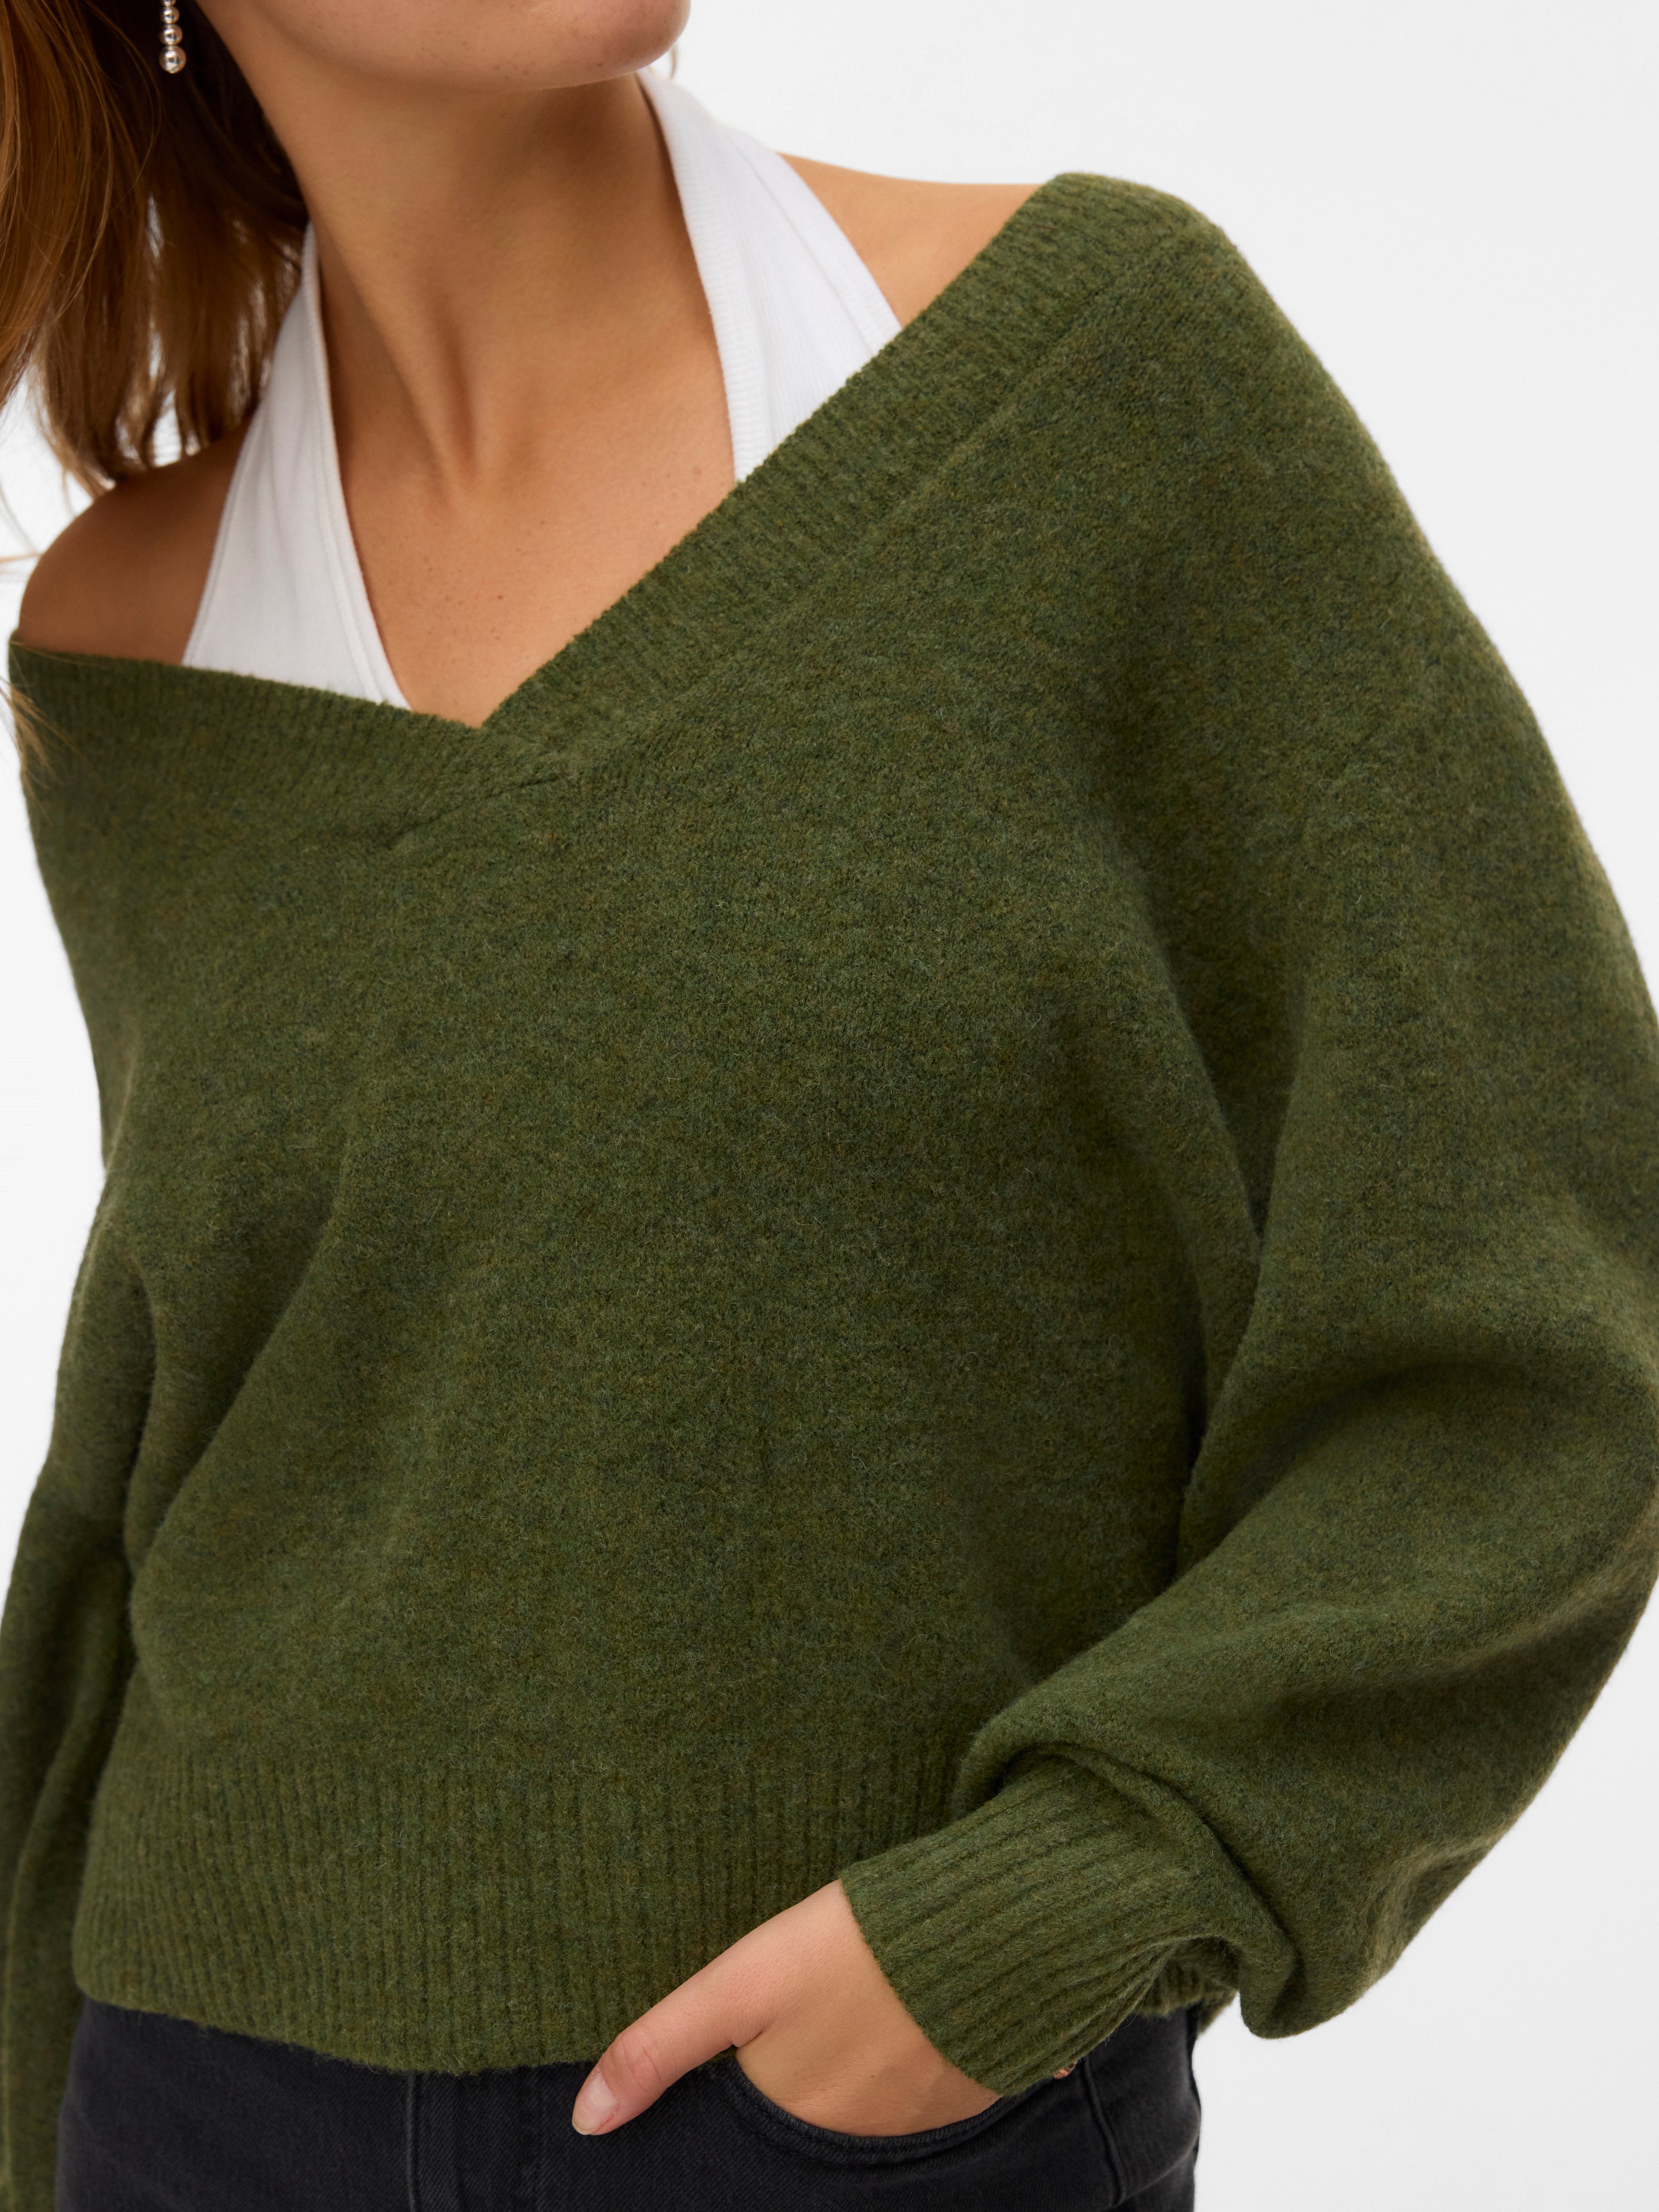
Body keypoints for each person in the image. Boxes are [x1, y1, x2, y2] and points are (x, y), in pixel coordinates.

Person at [2, 0, 1655, 2206]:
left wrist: (1069, 1891)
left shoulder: (1097, 379)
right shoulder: (125, 640)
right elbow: (166, 1446)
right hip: (198, 2096)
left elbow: (1552, 1293)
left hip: (867, 2120)